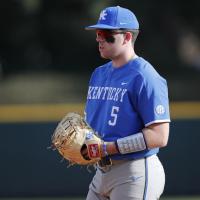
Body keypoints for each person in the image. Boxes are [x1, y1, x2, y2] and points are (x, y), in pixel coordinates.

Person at [84, 5, 170, 200]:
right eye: (98, 33)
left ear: (128, 37)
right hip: (102, 171)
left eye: (107, 34)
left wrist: (108, 148)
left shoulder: (145, 76)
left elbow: (159, 136)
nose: (99, 38)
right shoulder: (98, 74)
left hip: (135, 171)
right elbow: (92, 123)